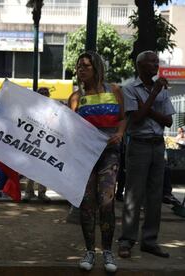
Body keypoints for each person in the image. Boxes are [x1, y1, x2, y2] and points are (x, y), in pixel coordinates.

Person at [68, 51, 126, 273]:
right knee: (86, 204)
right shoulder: (75, 98)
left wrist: (120, 134)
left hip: (109, 155)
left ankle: (108, 251)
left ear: (97, 68)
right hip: (85, 157)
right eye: (79, 66)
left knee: (106, 202)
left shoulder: (115, 91)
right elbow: (70, 128)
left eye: (86, 66)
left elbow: (123, 119)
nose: (81, 69)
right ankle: (90, 251)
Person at [118, 51, 175, 259]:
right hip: (139, 145)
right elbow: (137, 119)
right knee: (134, 194)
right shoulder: (129, 89)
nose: (156, 65)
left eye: (156, 61)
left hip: (158, 146)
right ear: (140, 65)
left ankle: (149, 241)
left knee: (155, 195)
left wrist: (147, 108)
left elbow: (168, 121)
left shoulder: (163, 89)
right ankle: (127, 240)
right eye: (151, 62)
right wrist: (152, 97)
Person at [22, 87, 51, 203]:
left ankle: (42, 193)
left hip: (46, 143)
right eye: (41, 93)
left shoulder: (52, 110)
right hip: (32, 142)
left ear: (49, 95)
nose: (43, 95)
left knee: (44, 169)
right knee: (30, 169)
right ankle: (28, 193)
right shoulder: (32, 108)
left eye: (45, 93)